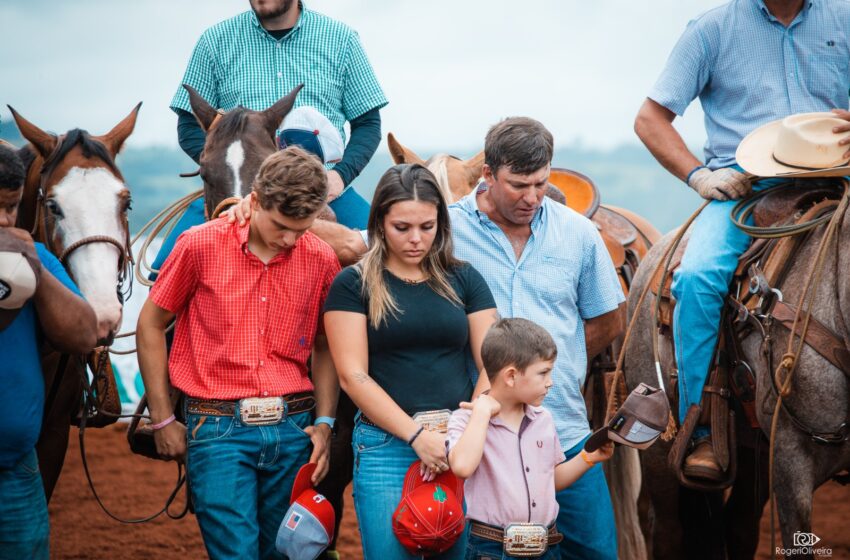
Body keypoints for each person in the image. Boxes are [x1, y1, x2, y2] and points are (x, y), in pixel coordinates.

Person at [231, 117, 626, 558]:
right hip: (419, 440)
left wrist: (518, 392)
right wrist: (249, 207)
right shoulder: (398, 255)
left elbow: (588, 327)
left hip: (528, 429)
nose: (532, 197)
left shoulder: (556, 241)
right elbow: (354, 365)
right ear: (488, 175)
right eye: (518, 184)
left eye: (541, 183)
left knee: (588, 549)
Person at [633, 0, 850, 480]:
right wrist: (698, 177)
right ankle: (702, 425)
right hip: (745, 188)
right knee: (696, 278)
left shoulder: (845, 18)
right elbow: (650, 119)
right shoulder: (712, 30)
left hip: (838, 177)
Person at [136, 147, 341, 560]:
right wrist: (162, 418)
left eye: (300, 230)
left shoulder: (320, 257)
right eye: (281, 226)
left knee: (286, 553)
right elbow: (150, 324)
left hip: (294, 427)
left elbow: (324, 344)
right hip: (216, 428)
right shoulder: (198, 245)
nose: (289, 240)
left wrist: (324, 422)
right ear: (257, 199)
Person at [322, 163, 499, 560]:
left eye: (427, 226)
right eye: (402, 228)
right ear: (380, 222)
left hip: (457, 444)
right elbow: (353, 376)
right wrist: (418, 437)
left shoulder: (465, 279)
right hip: (386, 446)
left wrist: (467, 429)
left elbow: (493, 362)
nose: (416, 239)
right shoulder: (353, 284)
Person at [162, 0, 386, 242]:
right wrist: (224, 172)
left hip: (321, 189)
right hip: (232, 193)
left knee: (383, 250)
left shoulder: (342, 41)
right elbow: (189, 125)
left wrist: (340, 176)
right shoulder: (214, 41)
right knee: (163, 269)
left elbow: (368, 125)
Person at [0, 145, 97, 559]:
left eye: (12, 207)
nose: (5, 221)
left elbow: (84, 335)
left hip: (16, 468)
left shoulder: (30, 256)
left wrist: (35, 270)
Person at [448, 318, 614, 560]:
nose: (550, 382)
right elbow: (462, 466)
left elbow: (549, 480)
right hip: (493, 549)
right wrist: (481, 413)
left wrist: (588, 458)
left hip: (545, 547)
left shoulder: (543, 419)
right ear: (511, 376)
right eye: (543, 373)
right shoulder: (465, 419)